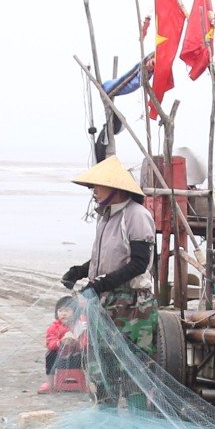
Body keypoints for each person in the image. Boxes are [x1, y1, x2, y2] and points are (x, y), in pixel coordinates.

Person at [62, 156, 157, 404]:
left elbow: (138, 263)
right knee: (102, 369)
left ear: (115, 188)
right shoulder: (105, 217)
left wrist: (99, 284)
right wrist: (81, 271)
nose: (93, 192)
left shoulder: (137, 215)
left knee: (132, 371)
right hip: (105, 303)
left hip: (132, 306)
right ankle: (107, 419)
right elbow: (106, 259)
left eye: (97, 186)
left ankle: (139, 424)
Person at [43, 296, 80, 374]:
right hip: (59, 354)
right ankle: (51, 382)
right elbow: (50, 343)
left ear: (75, 311)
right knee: (50, 355)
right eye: (60, 310)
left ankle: (80, 380)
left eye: (67, 310)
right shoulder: (54, 327)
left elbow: (85, 340)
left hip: (76, 354)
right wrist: (60, 343)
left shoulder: (79, 325)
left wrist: (76, 343)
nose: (63, 314)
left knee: (83, 357)